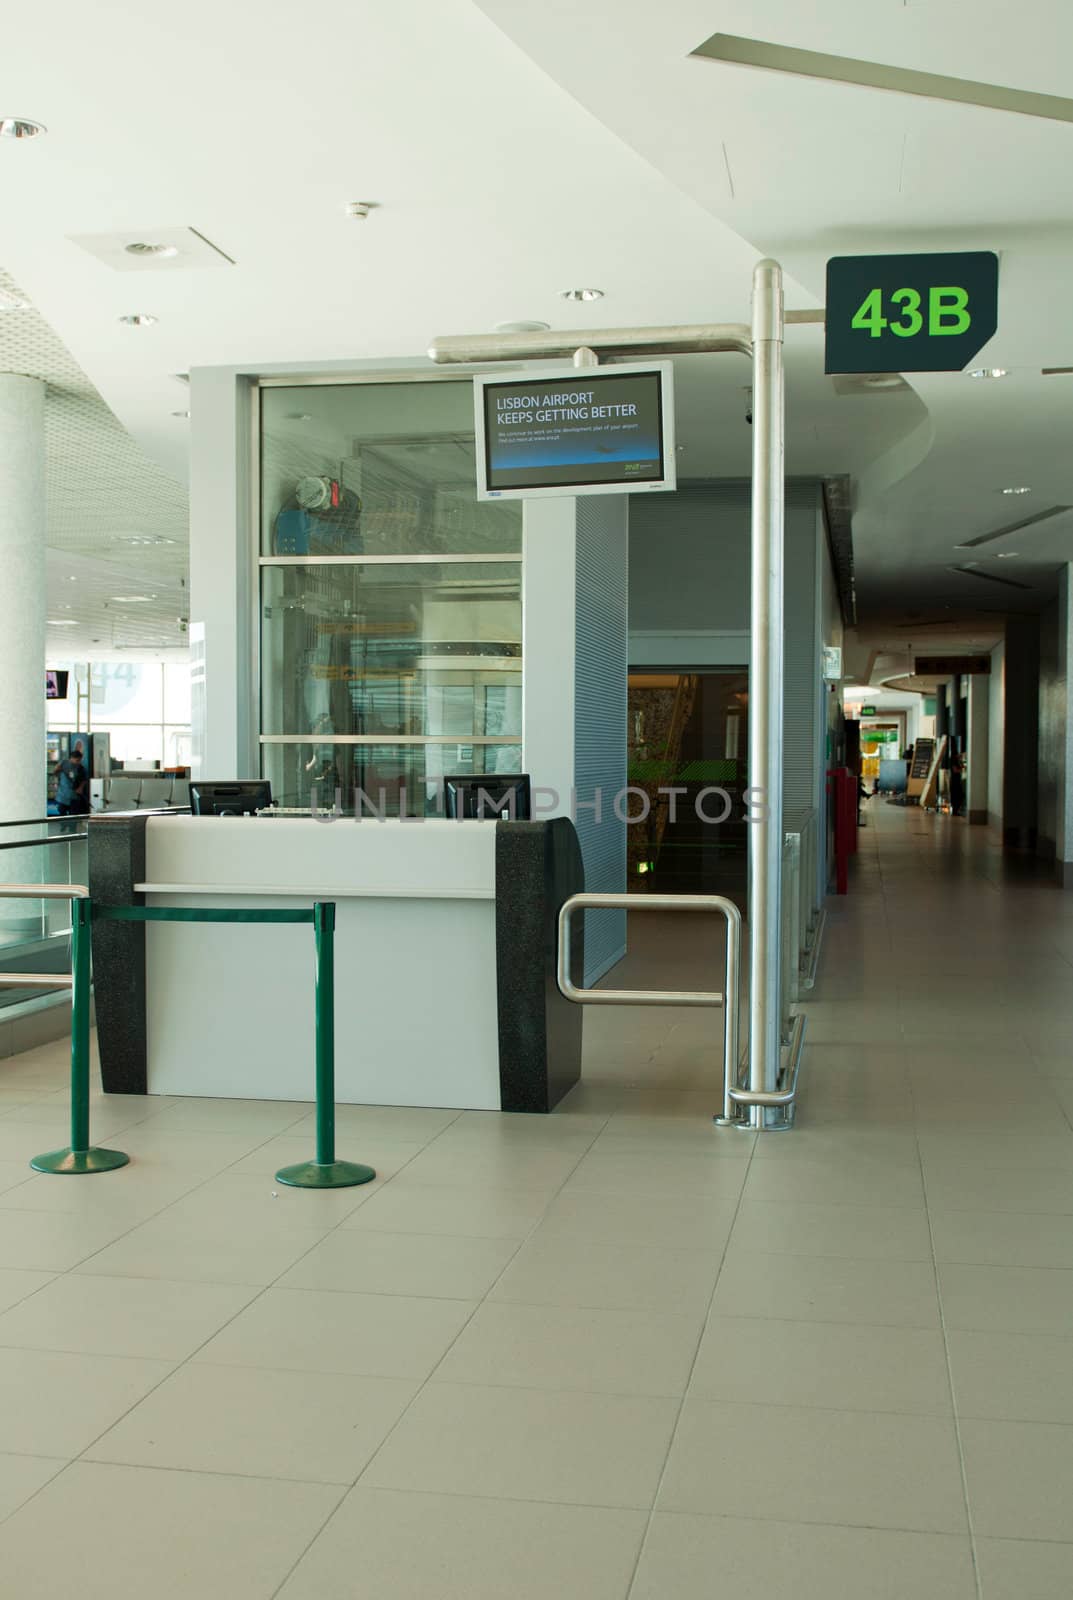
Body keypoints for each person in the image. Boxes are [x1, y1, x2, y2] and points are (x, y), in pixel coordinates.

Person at [54, 742, 90, 816]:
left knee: (73, 813)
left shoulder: (81, 768)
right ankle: (63, 825)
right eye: (77, 760)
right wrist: (56, 771)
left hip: (74, 795)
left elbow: (84, 779)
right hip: (63, 793)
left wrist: (80, 788)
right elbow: (55, 773)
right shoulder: (63, 763)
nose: (79, 762)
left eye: (80, 760)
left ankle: (72, 827)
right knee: (61, 811)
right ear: (72, 758)